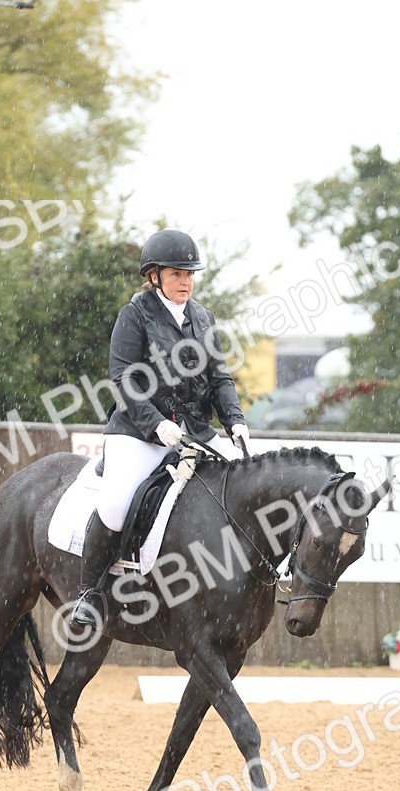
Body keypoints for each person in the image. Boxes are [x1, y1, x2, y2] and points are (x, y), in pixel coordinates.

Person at [71, 228, 251, 630]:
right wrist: (155, 424)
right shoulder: (135, 314)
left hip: (194, 431)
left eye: (189, 275)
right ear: (154, 276)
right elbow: (123, 378)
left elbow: (219, 378)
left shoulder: (202, 318)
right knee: (116, 504)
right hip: (137, 431)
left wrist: (235, 420)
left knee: (240, 485)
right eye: (176, 274)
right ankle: (89, 593)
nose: (185, 282)